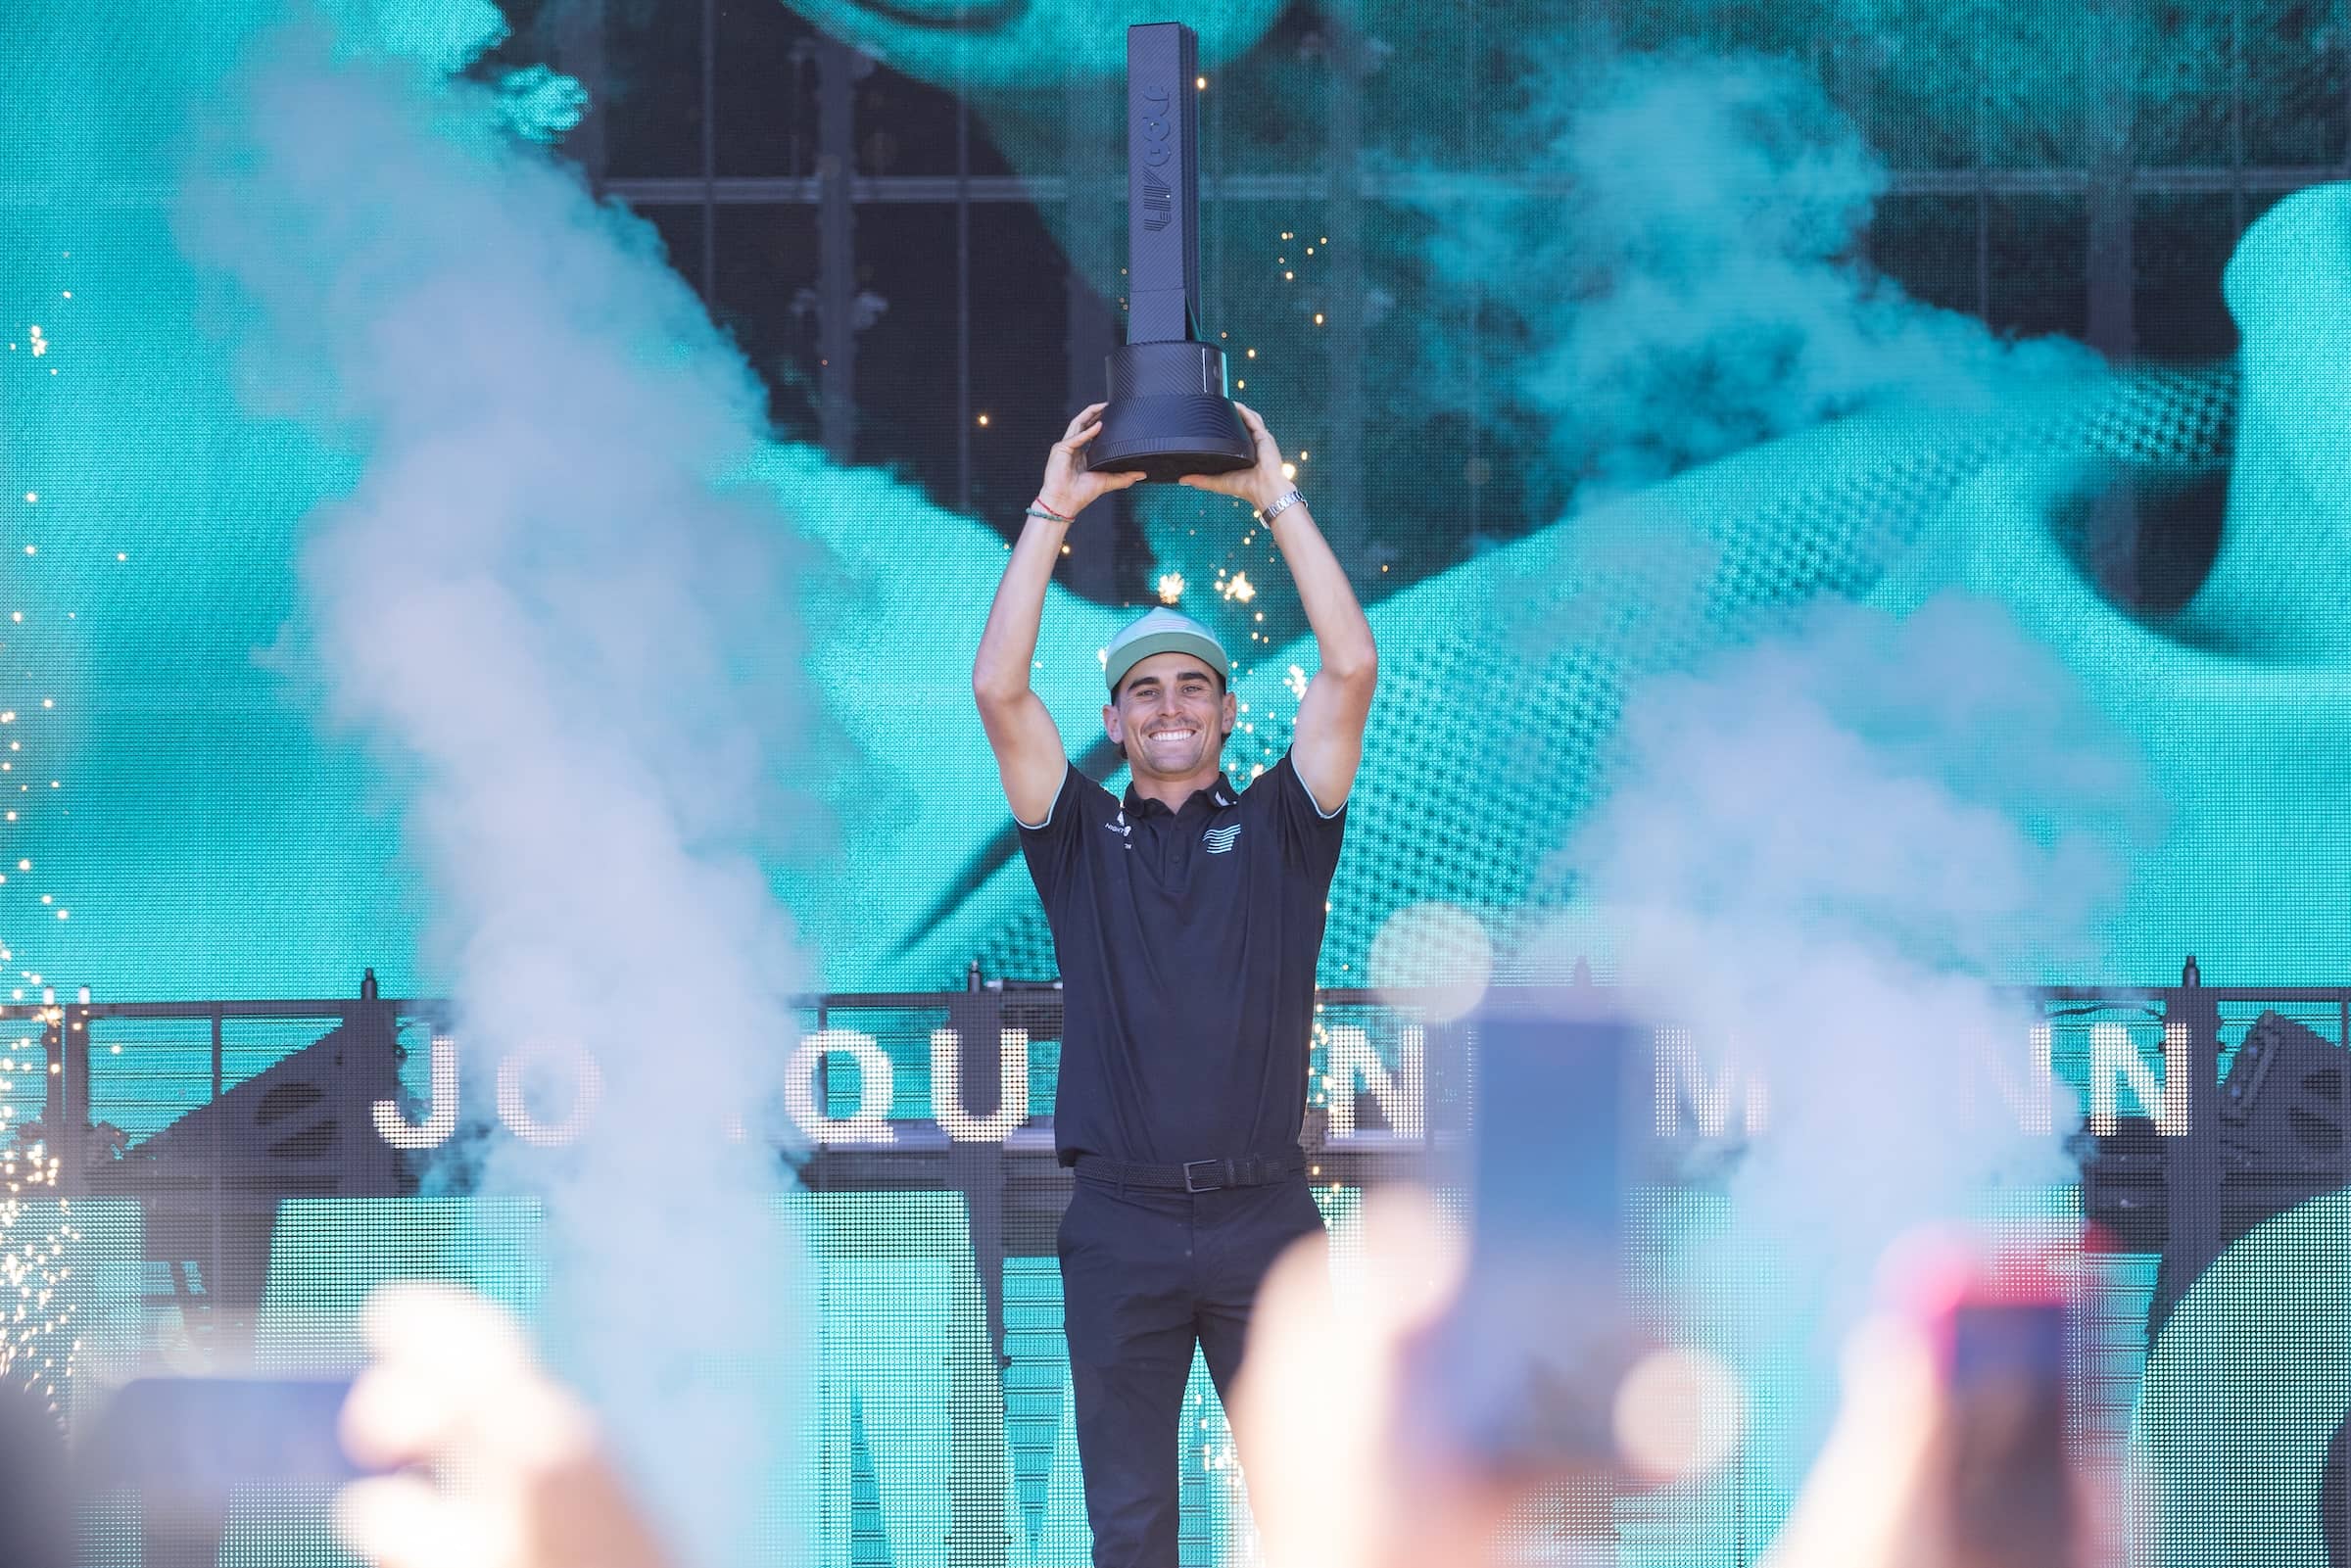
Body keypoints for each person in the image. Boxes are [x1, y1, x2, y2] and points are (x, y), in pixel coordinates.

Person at [972, 400, 1378, 1566]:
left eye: (1191, 687)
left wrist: (1277, 496)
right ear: (1114, 718)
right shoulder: (1080, 836)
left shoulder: (1282, 829)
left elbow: (1350, 664)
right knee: (1133, 1526)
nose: (1168, 706)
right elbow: (999, 691)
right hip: (1122, 1221)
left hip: (1266, 1213)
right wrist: (1056, 507)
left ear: (1226, 713)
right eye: (1144, 691)